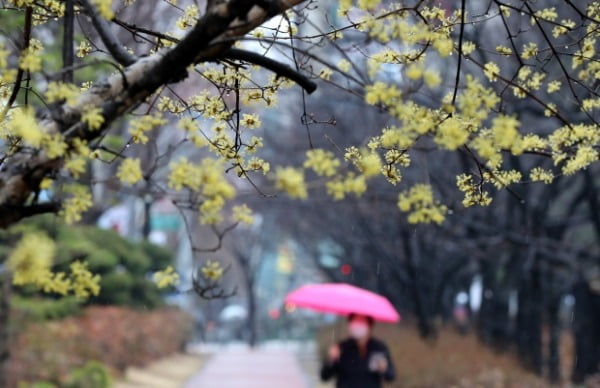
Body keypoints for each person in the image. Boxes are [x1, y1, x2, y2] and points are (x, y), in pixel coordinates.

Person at [320, 313, 395, 388]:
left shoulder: (379, 348)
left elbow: (391, 376)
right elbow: (324, 376)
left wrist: (384, 369)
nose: (357, 326)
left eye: (361, 322)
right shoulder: (342, 347)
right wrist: (331, 360)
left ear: (369, 325)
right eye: (354, 322)